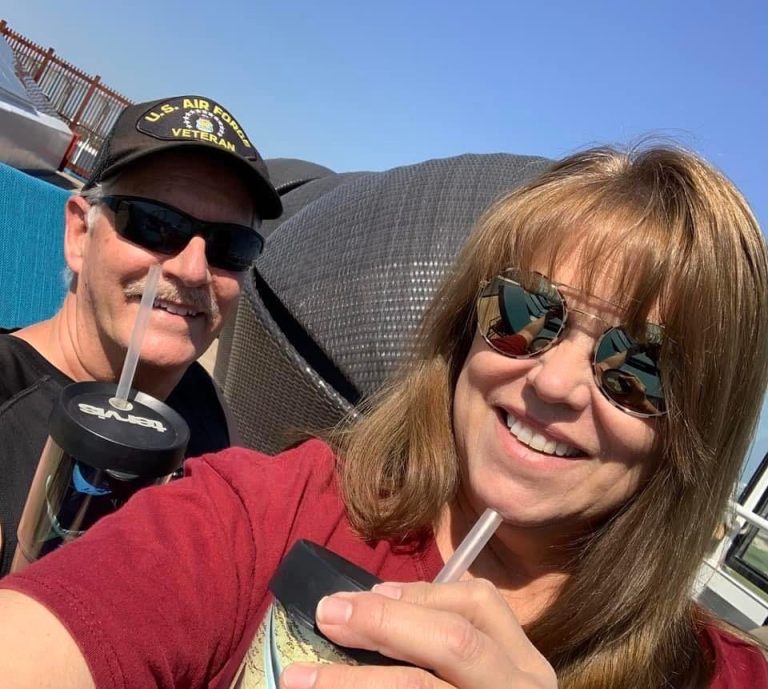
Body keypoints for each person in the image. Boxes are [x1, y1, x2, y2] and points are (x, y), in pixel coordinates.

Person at [0, 143, 766, 689]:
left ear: (693, 431)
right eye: (529, 312)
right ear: (467, 325)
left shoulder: (720, 672)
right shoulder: (285, 508)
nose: (557, 381)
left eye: (639, 368)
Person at [0, 94, 283, 574]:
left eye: (229, 246)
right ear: (80, 235)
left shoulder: (204, 406)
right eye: (155, 224)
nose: (193, 270)